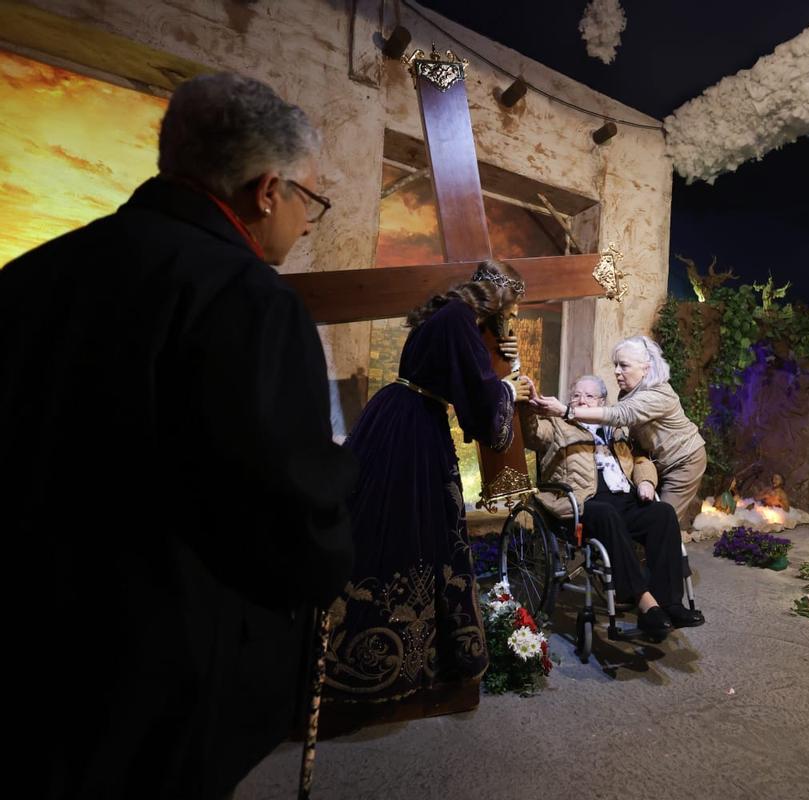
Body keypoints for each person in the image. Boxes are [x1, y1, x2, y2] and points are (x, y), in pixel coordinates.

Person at [1, 72, 356, 799]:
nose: (308, 219)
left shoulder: (28, 277)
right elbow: (286, 502)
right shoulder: (252, 301)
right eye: (310, 199)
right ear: (267, 190)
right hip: (165, 664)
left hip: (25, 639)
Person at [323, 260, 533, 708]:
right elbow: (479, 397)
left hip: (398, 416)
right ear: (498, 301)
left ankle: (360, 648)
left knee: (387, 530)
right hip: (414, 433)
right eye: (511, 310)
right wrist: (511, 389)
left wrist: (498, 362)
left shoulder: (451, 315)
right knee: (407, 536)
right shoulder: (460, 320)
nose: (509, 321)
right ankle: (380, 659)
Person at [521, 375, 704, 640]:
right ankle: (645, 603)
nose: (581, 400)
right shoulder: (558, 424)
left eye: (589, 397)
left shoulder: (617, 428)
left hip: (624, 499)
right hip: (584, 503)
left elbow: (641, 459)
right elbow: (533, 435)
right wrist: (529, 405)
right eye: (576, 396)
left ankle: (670, 604)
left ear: (602, 402)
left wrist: (646, 482)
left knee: (662, 513)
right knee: (606, 514)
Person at [530, 335, 707, 527]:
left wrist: (566, 411)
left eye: (624, 366)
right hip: (656, 461)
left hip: (683, 461)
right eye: (616, 365)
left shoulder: (658, 394)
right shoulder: (628, 392)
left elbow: (622, 414)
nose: (616, 372)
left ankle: (665, 556)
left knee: (664, 519)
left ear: (645, 369)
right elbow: (534, 434)